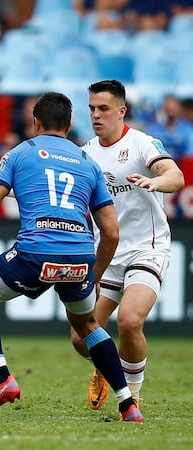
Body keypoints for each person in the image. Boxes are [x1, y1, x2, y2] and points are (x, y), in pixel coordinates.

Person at [0, 91, 144, 422]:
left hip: (35, 252)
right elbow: (110, 232)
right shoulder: (88, 163)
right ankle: (128, 403)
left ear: (35, 122)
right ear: (69, 125)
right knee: (87, 324)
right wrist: (93, 276)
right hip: (80, 257)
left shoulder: (20, 153)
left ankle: (2, 380)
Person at [70, 80, 185, 411]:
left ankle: (131, 394)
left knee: (130, 321)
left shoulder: (142, 144)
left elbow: (174, 176)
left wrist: (155, 182)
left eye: (103, 108)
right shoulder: (86, 153)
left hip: (146, 248)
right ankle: (105, 369)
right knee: (81, 338)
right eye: (92, 108)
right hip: (107, 253)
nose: (96, 114)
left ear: (121, 111)